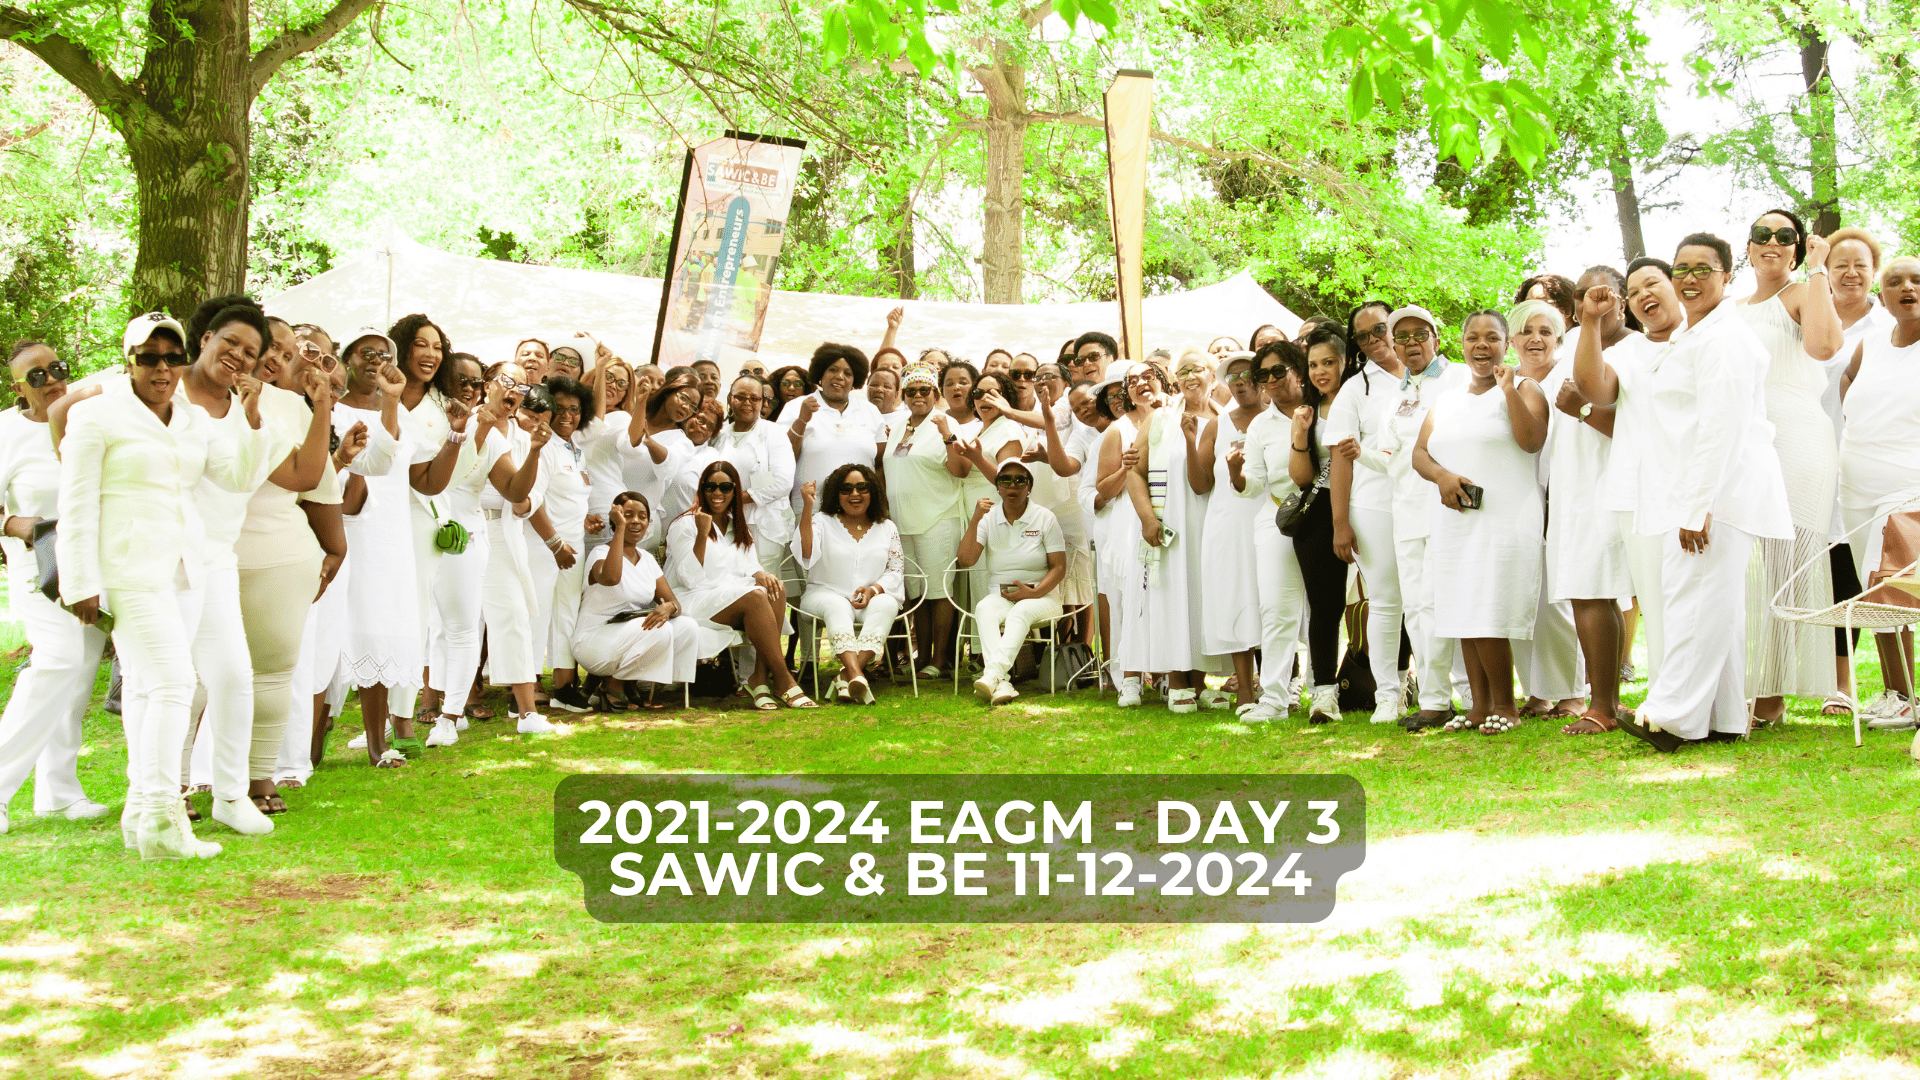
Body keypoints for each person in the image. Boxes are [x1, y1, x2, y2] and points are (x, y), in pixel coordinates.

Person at [58, 312, 270, 858]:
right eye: (148, 357)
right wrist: (79, 582)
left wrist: (250, 420)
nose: (161, 368)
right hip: (128, 570)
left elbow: (237, 478)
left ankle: (140, 815)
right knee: (175, 682)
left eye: (171, 358)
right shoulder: (96, 415)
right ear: (128, 360)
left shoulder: (191, 418)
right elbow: (75, 505)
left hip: (186, 568)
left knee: (151, 688)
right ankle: (161, 817)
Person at [1573, 251, 1792, 752]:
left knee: (1694, 606)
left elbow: (1721, 430)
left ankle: (1670, 718)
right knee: (1711, 607)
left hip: (1718, 495)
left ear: (1727, 276)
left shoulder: (1725, 338)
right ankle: (1723, 718)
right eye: (1681, 271)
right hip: (1694, 494)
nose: (1688, 280)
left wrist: (1697, 506)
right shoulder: (1695, 337)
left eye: (1700, 271)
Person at [1413, 310, 1550, 734]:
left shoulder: (1525, 388)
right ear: (1462, 344)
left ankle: (1505, 705)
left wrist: (1507, 390)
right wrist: (1443, 477)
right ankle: (1479, 705)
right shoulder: (1448, 399)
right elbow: (1420, 453)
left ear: (1506, 344)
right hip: (1456, 518)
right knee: (1462, 609)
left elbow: (1532, 440)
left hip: (1504, 518)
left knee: (1488, 608)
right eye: (1473, 337)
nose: (1482, 345)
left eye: (1492, 337)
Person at [1735, 211, 1843, 723]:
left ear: (1798, 248)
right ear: (1748, 247)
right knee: (1745, 563)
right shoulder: (1733, 308)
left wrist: (1819, 269)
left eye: (1785, 236)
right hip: (1745, 440)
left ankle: (1772, 692)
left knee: (1787, 562)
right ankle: (1743, 680)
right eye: (1763, 234)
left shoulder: (1800, 293)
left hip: (1797, 436)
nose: (1772, 242)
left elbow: (1824, 346)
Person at [0, 342, 111, 832]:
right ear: (19, 388)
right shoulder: (6, 432)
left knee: (79, 674)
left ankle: (59, 792)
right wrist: (14, 525)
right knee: (59, 661)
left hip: (91, 564)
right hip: (39, 568)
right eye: (37, 375)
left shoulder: (89, 415)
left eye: (57, 368)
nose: (51, 379)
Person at [1538, 269, 1642, 735]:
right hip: (1572, 487)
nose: (1590, 303)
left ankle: (1602, 706)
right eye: (1582, 295)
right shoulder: (1575, 348)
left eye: (1601, 294)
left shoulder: (1636, 350)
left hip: (1611, 486)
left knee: (1594, 592)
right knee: (1588, 592)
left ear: (1621, 300)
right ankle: (1608, 701)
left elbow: (1644, 431)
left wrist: (1582, 409)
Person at [1378, 305, 1471, 727]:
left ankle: (1462, 696)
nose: (1411, 343)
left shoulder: (1459, 378)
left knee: (1444, 602)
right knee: (1416, 607)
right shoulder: (1395, 394)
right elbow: (1387, 455)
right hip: (1406, 510)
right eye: (1402, 337)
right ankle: (1435, 698)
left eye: (1420, 334)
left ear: (1436, 337)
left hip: (1446, 506)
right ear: (1393, 345)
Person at [1837, 255, 1920, 727]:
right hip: (1856, 486)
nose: (1907, 287)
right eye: (1895, 281)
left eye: (1917, 280)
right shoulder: (1869, 344)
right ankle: (1896, 693)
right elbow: (1848, 381)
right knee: (1876, 593)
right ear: (1882, 295)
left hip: (1908, 486)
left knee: (1892, 586)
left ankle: (1906, 697)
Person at [666, 460, 816, 709]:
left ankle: (759, 678)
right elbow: (689, 578)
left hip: (728, 596)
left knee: (775, 588)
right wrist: (702, 534)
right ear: (702, 489)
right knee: (756, 597)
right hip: (693, 598)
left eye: (725, 487)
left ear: (735, 491)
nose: (717, 493)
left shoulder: (736, 523)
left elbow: (750, 565)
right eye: (711, 486)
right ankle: (783, 679)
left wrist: (760, 574)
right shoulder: (685, 523)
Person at [1324, 301, 1413, 724]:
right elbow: (1340, 459)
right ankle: (1387, 696)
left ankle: (1445, 691)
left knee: (1429, 599)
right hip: (1373, 505)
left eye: (1380, 329)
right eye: (1363, 336)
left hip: (1426, 500)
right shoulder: (1355, 388)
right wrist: (1340, 523)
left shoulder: (1435, 375)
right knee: (1385, 601)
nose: (1374, 340)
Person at [1821, 227, 1895, 715]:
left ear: (1874, 272)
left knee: (1852, 566)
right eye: (1840, 265)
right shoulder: (1807, 313)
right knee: (1814, 562)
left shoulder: (1889, 326)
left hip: (1864, 458)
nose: (1850, 273)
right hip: (1806, 451)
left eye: (1860, 265)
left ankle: (1842, 685)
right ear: (1825, 271)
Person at [1120, 362, 1217, 713]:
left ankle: (1200, 681)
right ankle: (1176, 681)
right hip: (1169, 520)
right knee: (1171, 596)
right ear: (1176, 379)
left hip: (1208, 522)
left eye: (1198, 368)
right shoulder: (1160, 418)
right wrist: (1148, 518)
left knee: (1201, 596)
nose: (1191, 376)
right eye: (1184, 370)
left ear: (1213, 377)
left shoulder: (1223, 418)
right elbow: (1134, 471)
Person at [1505, 299, 1586, 719]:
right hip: (1515, 500)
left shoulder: (1569, 379)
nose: (1535, 339)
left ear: (1558, 338)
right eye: (1526, 331)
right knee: (1521, 597)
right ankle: (1537, 692)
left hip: (1563, 497)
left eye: (1545, 332)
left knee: (1557, 602)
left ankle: (1572, 693)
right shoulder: (1504, 382)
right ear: (1512, 340)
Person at [475, 364, 553, 733]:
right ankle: (443, 707)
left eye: (521, 388)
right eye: (506, 382)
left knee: (514, 616)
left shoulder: (525, 438)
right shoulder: (465, 424)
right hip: (459, 531)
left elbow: (533, 491)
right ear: (487, 384)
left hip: (502, 532)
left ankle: (526, 713)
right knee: (454, 623)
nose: (513, 392)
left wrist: (525, 503)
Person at [1288, 329, 1360, 724]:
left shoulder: (1364, 399)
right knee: (1325, 607)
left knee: (1386, 600)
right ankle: (1324, 694)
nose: (1320, 371)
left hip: (1367, 506)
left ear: (1345, 362)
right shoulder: (1307, 412)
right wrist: (1300, 434)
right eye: (1313, 365)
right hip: (1318, 515)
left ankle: (1396, 685)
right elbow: (1301, 478)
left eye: (1328, 362)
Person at [1192, 351, 1267, 713]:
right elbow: (1199, 484)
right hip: (1229, 525)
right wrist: (1190, 442)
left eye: (1247, 373)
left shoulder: (1279, 418)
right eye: (1232, 376)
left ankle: (1284, 683)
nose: (1240, 382)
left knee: (1275, 599)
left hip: (1273, 520)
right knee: (1238, 599)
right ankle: (1245, 690)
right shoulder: (1216, 426)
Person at [793, 465, 906, 704]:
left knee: (887, 603)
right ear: (836, 494)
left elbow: (895, 571)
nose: (855, 494)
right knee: (836, 606)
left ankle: (846, 677)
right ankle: (856, 674)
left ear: (872, 492)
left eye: (862, 487)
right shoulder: (822, 521)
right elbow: (806, 553)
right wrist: (808, 507)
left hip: (869, 598)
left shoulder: (887, 527)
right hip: (824, 593)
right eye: (846, 489)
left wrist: (873, 590)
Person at [959, 459, 1068, 705]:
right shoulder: (988, 517)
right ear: (997, 487)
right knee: (984, 608)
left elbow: (1059, 567)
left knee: (1020, 612)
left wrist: (1033, 592)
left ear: (1029, 487)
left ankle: (992, 675)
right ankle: (1002, 683)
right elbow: (966, 559)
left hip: (1043, 595)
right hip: (1001, 595)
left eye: (1020, 480)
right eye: (1005, 480)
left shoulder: (1044, 517)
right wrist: (975, 519)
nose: (1012, 485)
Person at [881, 364, 965, 677]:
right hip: (903, 523)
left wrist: (948, 436)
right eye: (911, 391)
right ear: (903, 395)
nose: (918, 396)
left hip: (938, 520)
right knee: (917, 593)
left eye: (924, 390)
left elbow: (960, 470)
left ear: (935, 393)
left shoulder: (946, 422)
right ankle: (922, 657)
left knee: (939, 591)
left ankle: (939, 660)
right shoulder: (899, 426)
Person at [573, 492, 700, 694]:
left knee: (687, 626)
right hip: (594, 641)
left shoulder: (647, 559)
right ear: (615, 519)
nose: (635, 521)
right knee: (659, 630)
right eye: (627, 515)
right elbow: (611, 577)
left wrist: (669, 607)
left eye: (642, 516)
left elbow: (674, 603)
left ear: (648, 523)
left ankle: (656, 686)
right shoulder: (600, 553)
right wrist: (620, 529)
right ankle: (614, 685)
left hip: (630, 634)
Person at [527, 377, 595, 714]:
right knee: (536, 615)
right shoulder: (543, 447)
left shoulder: (575, 448)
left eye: (574, 409)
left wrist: (585, 520)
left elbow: (568, 497)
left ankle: (565, 687)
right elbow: (531, 500)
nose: (567, 415)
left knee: (567, 614)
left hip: (574, 546)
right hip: (544, 545)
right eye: (560, 408)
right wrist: (555, 543)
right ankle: (524, 690)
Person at [778, 343, 888, 512]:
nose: (839, 377)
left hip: (859, 511)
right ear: (820, 373)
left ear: (855, 379)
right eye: (833, 370)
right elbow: (782, 458)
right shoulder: (796, 406)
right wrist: (801, 421)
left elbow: (880, 464)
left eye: (848, 373)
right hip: (811, 510)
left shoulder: (870, 411)